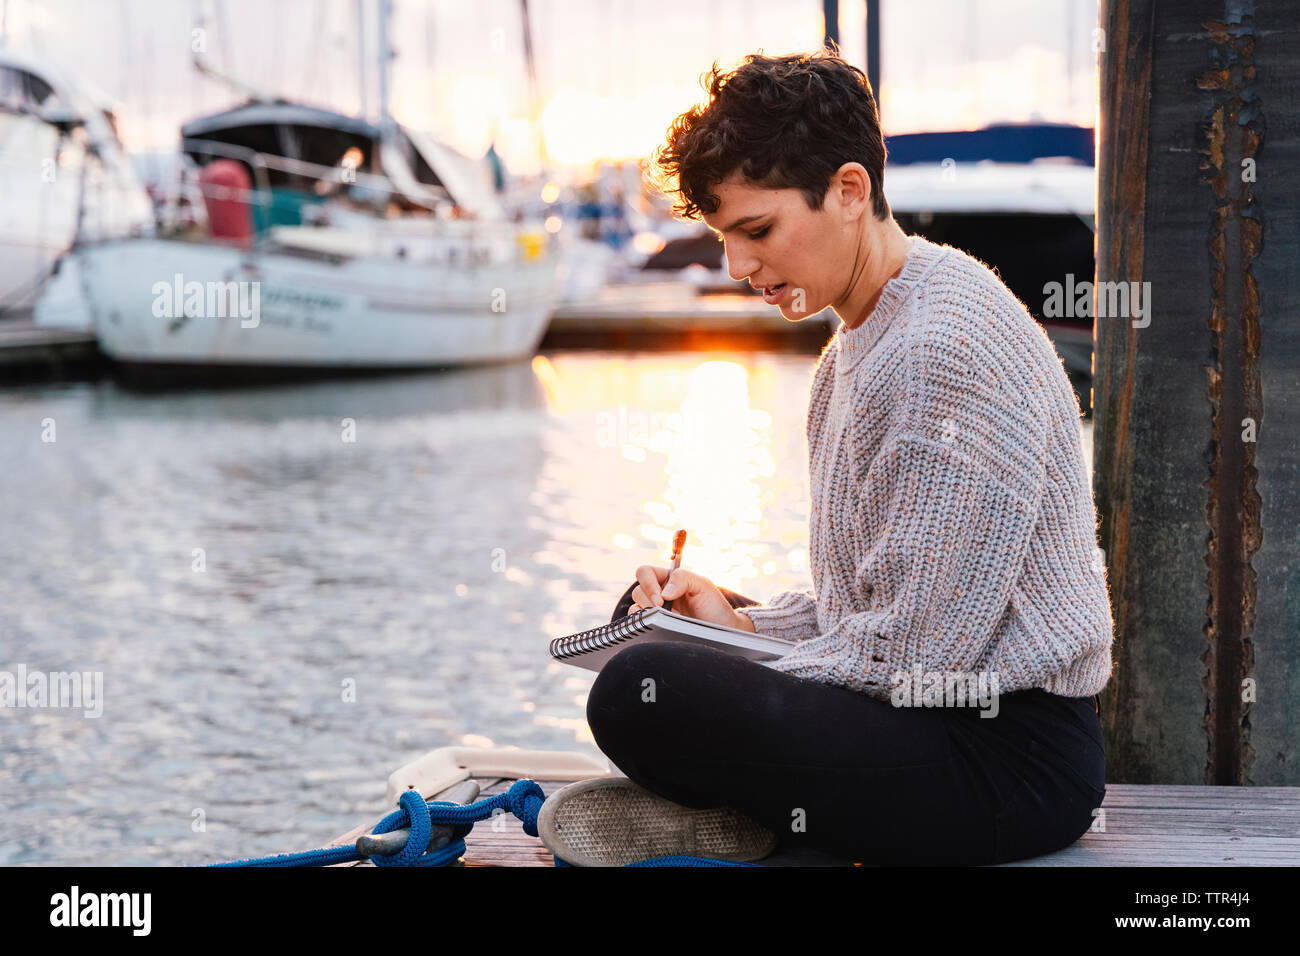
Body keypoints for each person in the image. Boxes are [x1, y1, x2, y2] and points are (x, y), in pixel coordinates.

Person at [543, 49, 1114, 867]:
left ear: (850, 191)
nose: (738, 267)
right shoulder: (855, 347)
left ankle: (750, 817)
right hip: (926, 714)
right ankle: (754, 814)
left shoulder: (942, 347)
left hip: (1007, 760)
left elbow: (918, 657)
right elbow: (876, 605)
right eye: (724, 238)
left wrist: (729, 658)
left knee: (647, 693)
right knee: (643, 632)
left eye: (757, 230)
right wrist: (740, 625)